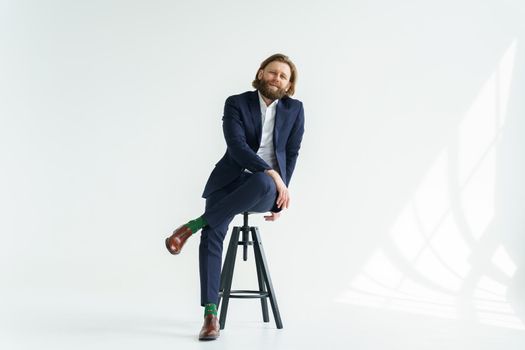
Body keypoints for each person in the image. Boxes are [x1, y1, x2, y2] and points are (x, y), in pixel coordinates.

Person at [165, 53, 305, 341]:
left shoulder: (296, 110)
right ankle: (210, 315)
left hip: (264, 190)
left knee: (262, 183)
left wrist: (281, 187)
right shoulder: (236, 103)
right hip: (228, 180)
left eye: (283, 76)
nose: (276, 79)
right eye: (272, 72)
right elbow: (237, 147)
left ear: (289, 84)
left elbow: (291, 153)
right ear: (261, 73)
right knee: (214, 235)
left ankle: (191, 226)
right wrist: (272, 173)